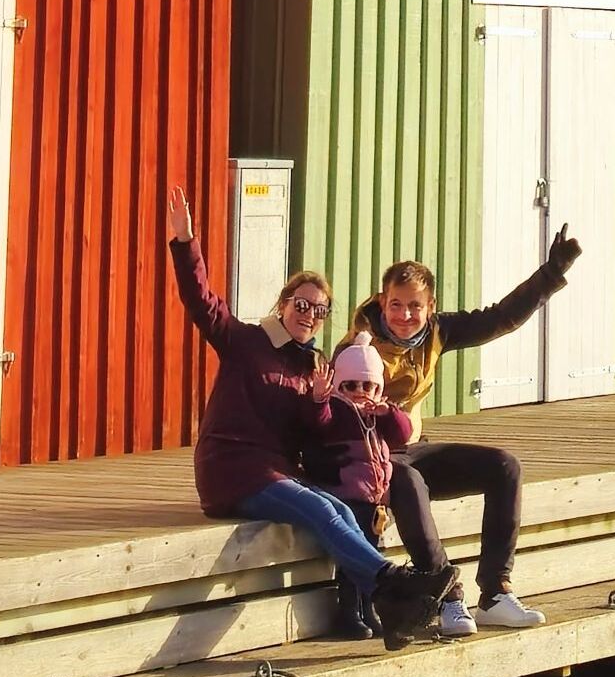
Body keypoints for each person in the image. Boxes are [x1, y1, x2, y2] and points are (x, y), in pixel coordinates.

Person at [164, 188, 445, 651]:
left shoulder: (315, 369)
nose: (309, 314)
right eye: (301, 304)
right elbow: (201, 301)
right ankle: (392, 584)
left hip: (274, 473)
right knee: (319, 509)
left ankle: (389, 605)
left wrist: (321, 403)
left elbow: (315, 435)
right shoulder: (245, 341)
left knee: (335, 507)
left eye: (319, 310)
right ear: (283, 305)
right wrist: (184, 243)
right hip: (232, 470)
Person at [343, 228, 580, 636]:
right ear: (382, 301)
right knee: (408, 478)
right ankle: (447, 594)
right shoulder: (358, 346)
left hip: (413, 446)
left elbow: (500, 318)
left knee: (504, 466)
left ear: (430, 306)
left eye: (414, 306)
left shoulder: (436, 332)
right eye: (395, 305)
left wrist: (551, 273)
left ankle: (494, 593)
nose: (404, 315)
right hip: (372, 461)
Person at [312, 331, 415, 639]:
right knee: (353, 557)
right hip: (346, 496)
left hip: (375, 499)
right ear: (339, 386)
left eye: (368, 385)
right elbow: (318, 424)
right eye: (351, 385)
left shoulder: (378, 415)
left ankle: (368, 608)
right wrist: (320, 398)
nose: (360, 392)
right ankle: (348, 610)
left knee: (372, 548)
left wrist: (388, 411)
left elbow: (403, 433)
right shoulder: (337, 411)